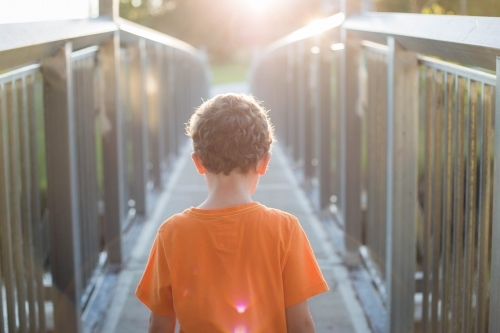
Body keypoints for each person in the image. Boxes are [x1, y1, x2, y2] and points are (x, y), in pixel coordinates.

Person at [136, 93, 328, 333]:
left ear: (197, 162)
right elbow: (301, 323)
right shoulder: (285, 228)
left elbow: (160, 324)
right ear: (264, 162)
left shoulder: (171, 232)